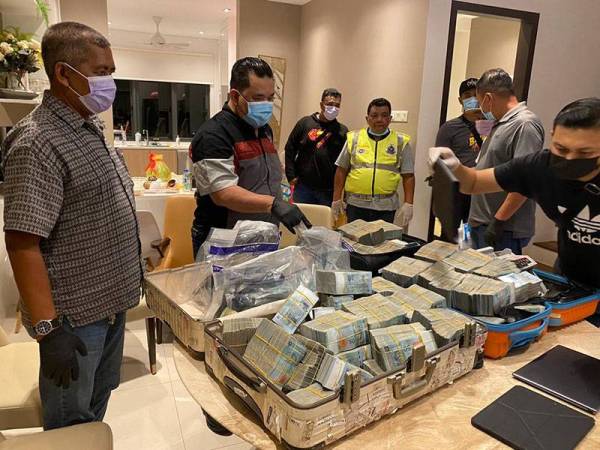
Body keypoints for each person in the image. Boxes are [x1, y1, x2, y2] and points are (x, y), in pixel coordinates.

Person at [1, 22, 142, 429]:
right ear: (63, 74)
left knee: (97, 403)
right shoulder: (37, 141)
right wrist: (49, 331)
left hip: (110, 304)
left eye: (111, 72)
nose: (109, 82)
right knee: (70, 424)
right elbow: (22, 242)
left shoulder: (87, 127)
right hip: (74, 320)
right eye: (101, 72)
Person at [429, 97, 600, 288]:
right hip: (570, 274)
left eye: (585, 153)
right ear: (553, 136)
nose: (570, 158)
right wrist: (452, 165)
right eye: (561, 149)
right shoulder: (540, 167)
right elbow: (474, 183)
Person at [190, 57, 310, 257]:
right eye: (258, 98)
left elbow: (268, 174)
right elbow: (223, 193)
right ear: (235, 96)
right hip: (224, 241)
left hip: (262, 235)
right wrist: (273, 204)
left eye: (270, 98)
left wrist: (283, 196)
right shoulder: (213, 135)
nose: (266, 105)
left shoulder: (263, 130)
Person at [468, 68, 544, 253]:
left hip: (503, 229)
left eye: (480, 102)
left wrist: (499, 221)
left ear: (488, 98)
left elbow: (525, 179)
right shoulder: (501, 122)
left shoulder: (524, 125)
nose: (482, 109)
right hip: (482, 221)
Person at [332, 98, 415, 227]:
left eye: (384, 115)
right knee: (354, 238)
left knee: (382, 239)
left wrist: (409, 203)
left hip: (386, 207)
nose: (379, 119)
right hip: (356, 205)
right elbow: (341, 170)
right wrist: (336, 198)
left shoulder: (400, 142)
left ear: (390, 118)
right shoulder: (354, 138)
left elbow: (408, 175)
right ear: (367, 118)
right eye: (374, 115)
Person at [434, 77, 485, 240]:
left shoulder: (493, 126)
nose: (473, 99)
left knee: (477, 242)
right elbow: (440, 165)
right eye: (467, 95)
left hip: (484, 194)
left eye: (476, 94)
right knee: (451, 240)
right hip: (458, 195)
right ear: (460, 100)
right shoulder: (449, 128)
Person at [284, 88, 349, 206]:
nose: (333, 108)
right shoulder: (305, 123)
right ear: (321, 105)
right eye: (330, 104)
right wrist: (291, 175)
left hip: (328, 190)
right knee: (301, 217)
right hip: (303, 187)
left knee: (325, 218)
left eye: (337, 105)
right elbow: (290, 148)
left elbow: (345, 163)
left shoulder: (342, 131)